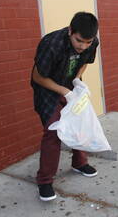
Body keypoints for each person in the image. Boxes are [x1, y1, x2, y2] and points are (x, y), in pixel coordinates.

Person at [31, 12, 100, 201]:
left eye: (88, 42)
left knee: (80, 123)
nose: (83, 46)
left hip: (71, 86)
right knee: (54, 131)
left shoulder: (92, 42)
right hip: (48, 89)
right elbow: (38, 76)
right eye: (79, 41)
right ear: (70, 31)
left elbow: (85, 62)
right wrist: (64, 91)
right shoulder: (51, 43)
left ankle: (79, 163)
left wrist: (77, 79)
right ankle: (44, 180)